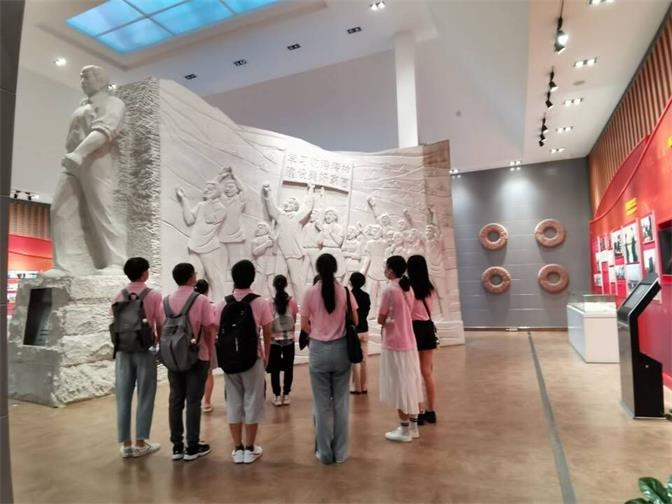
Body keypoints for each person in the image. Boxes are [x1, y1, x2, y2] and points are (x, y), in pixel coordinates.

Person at [48, 65, 126, 276]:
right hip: (72, 160)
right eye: (81, 78)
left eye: (87, 77)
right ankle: (64, 265)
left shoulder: (113, 103)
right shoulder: (83, 105)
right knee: (59, 209)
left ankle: (116, 262)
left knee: (101, 209)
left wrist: (80, 153)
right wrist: (73, 155)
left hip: (95, 160)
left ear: (101, 80)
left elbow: (104, 130)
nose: (83, 81)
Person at [300, 253, 358, 464]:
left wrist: (318, 330)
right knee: (341, 403)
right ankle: (340, 453)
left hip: (318, 351)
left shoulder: (309, 292)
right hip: (341, 350)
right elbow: (356, 319)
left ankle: (324, 453)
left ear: (317, 269)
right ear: (335, 268)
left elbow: (304, 325)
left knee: (321, 404)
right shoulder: (344, 291)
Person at [215, 260, 273, 464]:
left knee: (233, 401)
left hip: (229, 360)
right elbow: (268, 332)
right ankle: (250, 448)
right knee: (252, 400)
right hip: (252, 358)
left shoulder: (222, 304)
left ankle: (237, 448)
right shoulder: (260, 302)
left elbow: (216, 331)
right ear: (252, 278)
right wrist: (266, 355)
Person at [111, 257, 163, 458]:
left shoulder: (119, 295)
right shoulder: (153, 295)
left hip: (123, 350)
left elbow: (113, 319)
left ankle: (126, 445)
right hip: (145, 349)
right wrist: (159, 344)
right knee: (146, 394)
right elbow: (160, 323)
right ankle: (141, 443)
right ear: (144, 273)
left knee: (123, 396)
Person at [164, 263, 216, 461]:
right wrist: (209, 352)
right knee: (193, 401)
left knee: (175, 400)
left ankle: (177, 447)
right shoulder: (200, 300)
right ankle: (192, 446)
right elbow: (209, 328)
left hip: (173, 357)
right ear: (190, 277)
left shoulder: (166, 301)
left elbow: (161, 328)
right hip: (196, 355)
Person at [377, 256, 423, 443]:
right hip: (409, 342)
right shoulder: (408, 288)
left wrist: (388, 319)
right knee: (411, 382)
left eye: (386, 267)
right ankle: (413, 427)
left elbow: (380, 318)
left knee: (399, 385)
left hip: (394, 343)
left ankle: (404, 430)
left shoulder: (389, 290)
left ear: (391, 270)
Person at [406, 255, 439, 425]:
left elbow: (407, 311)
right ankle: (431, 411)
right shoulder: (430, 288)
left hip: (413, 329)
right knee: (427, 372)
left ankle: (418, 412)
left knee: (414, 372)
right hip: (427, 328)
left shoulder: (409, 289)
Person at [267, 275, 299, 406]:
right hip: (289, 339)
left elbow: (268, 322)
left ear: (274, 286)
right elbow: (294, 319)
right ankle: (286, 395)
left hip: (274, 340)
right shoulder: (292, 301)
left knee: (274, 369)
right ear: (286, 285)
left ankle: (276, 395)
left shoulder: (270, 302)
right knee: (288, 367)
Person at [194, 279, 217, 413]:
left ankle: (195, 401)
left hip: (191, 345)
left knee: (194, 374)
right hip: (207, 344)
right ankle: (207, 402)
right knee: (208, 373)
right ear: (207, 290)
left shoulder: (191, 304)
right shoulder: (211, 305)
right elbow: (213, 327)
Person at [349, 272, 370, 395]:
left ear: (351, 282)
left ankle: (355, 387)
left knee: (354, 360)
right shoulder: (366, 296)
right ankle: (364, 386)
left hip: (353, 331)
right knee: (364, 359)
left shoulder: (349, 296)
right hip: (364, 329)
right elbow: (366, 311)